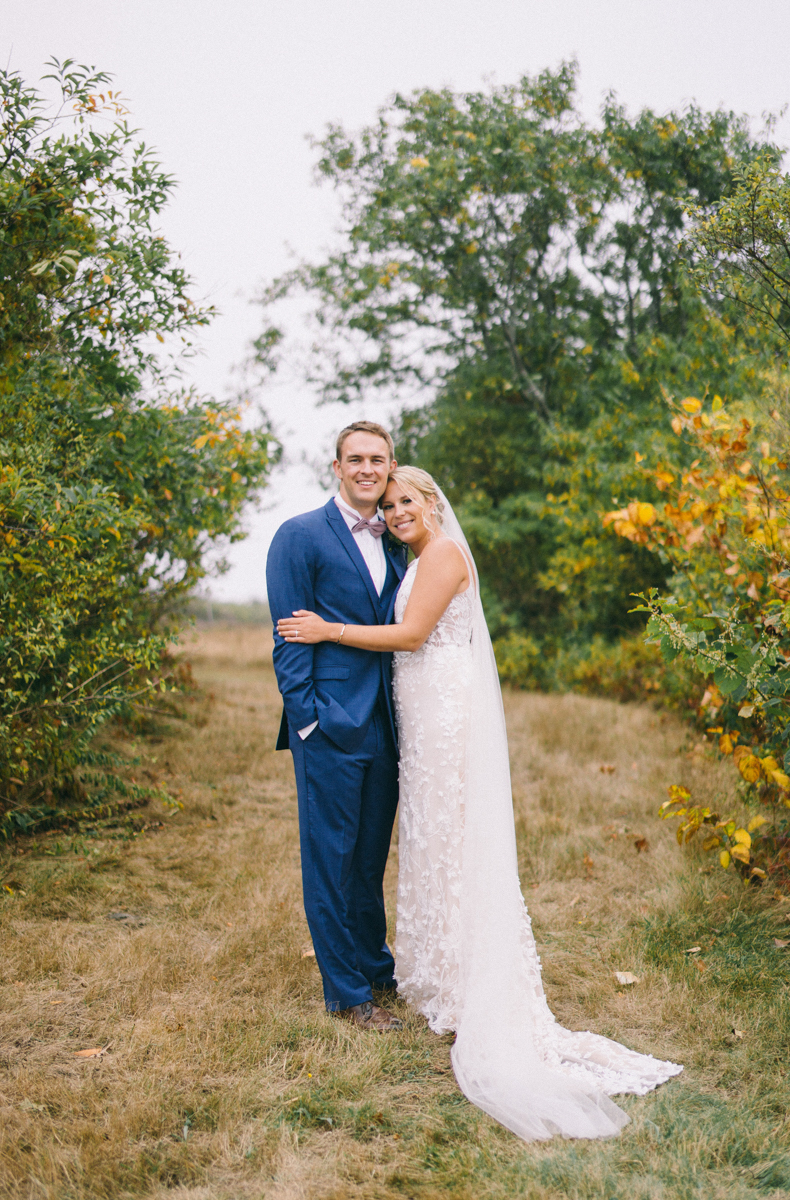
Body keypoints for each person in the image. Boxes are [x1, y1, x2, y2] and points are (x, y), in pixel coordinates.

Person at [277, 465, 683, 1142]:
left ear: (432, 503)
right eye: (392, 502)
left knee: (454, 838)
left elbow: (409, 637)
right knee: (437, 840)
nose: (399, 509)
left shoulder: (441, 555)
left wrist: (327, 631)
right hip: (424, 710)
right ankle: (445, 974)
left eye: (409, 499)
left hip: (443, 712)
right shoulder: (418, 554)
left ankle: (473, 983)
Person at [266, 422, 407, 1032]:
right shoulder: (298, 536)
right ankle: (348, 995)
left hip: (389, 724)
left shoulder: (400, 538)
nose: (367, 469)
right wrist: (308, 724)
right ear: (337, 467)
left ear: (391, 466)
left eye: (378, 459)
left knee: (371, 856)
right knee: (332, 858)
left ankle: (376, 969)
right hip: (329, 726)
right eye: (356, 459)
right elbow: (288, 640)